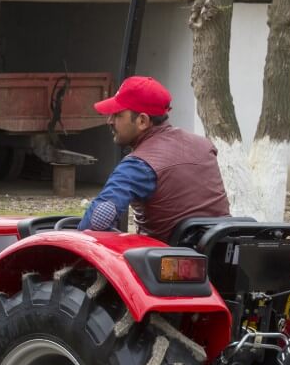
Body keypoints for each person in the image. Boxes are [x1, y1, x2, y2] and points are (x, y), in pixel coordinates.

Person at [78, 76, 231, 243]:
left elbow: (96, 222)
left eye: (117, 115)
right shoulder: (204, 146)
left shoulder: (138, 164)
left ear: (142, 121)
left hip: (165, 263)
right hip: (221, 252)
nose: (109, 121)